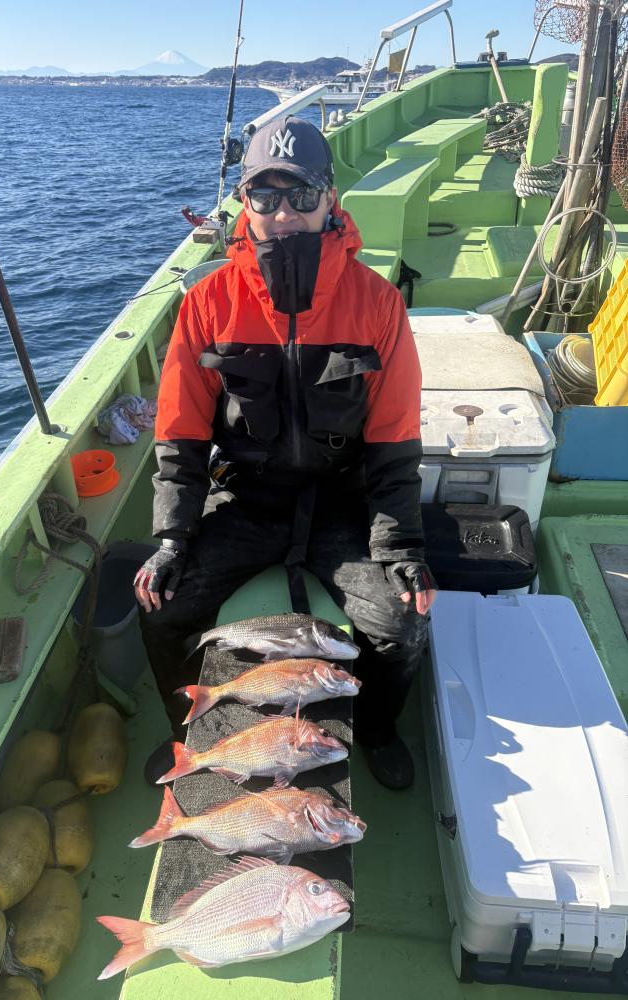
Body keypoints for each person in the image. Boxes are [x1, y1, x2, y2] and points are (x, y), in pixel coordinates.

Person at [134, 115, 437, 790]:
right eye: (264, 195)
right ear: (244, 202)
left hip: (344, 505)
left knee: (400, 626)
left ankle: (377, 728)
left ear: (330, 199)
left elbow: (394, 439)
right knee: (164, 608)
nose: (283, 213)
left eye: (300, 195)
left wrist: (400, 547)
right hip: (247, 500)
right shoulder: (206, 303)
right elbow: (181, 432)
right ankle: (187, 735)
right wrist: (172, 538)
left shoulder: (378, 303)